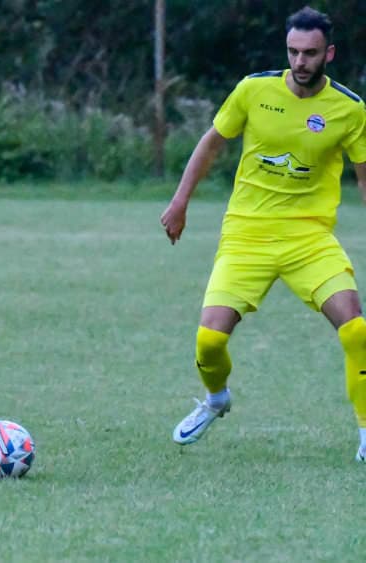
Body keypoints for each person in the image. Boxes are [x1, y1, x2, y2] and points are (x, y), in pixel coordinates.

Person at [160, 7, 366, 461]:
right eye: (293, 51)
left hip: (310, 239)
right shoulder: (254, 90)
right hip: (246, 236)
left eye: (310, 53)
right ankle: (216, 399)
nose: (300, 61)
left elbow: (363, 176)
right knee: (209, 342)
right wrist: (180, 202)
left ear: (329, 53)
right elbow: (211, 143)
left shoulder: (350, 110)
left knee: (356, 329)